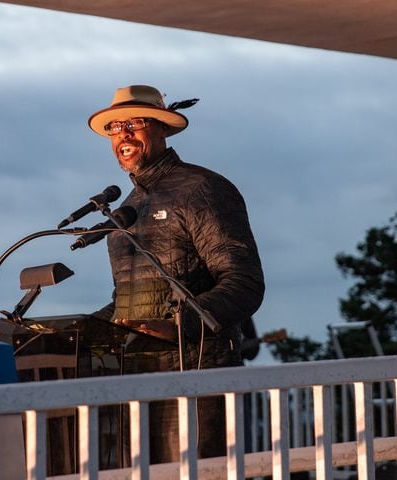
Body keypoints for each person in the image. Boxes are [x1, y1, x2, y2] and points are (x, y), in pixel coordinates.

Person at [89, 85, 265, 464]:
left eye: (133, 123)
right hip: (135, 383)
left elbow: (244, 281)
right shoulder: (125, 210)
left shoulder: (202, 188)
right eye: (114, 128)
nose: (123, 135)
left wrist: (180, 323)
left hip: (199, 378)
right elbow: (131, 299)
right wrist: (82, 329)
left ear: (161, 129)